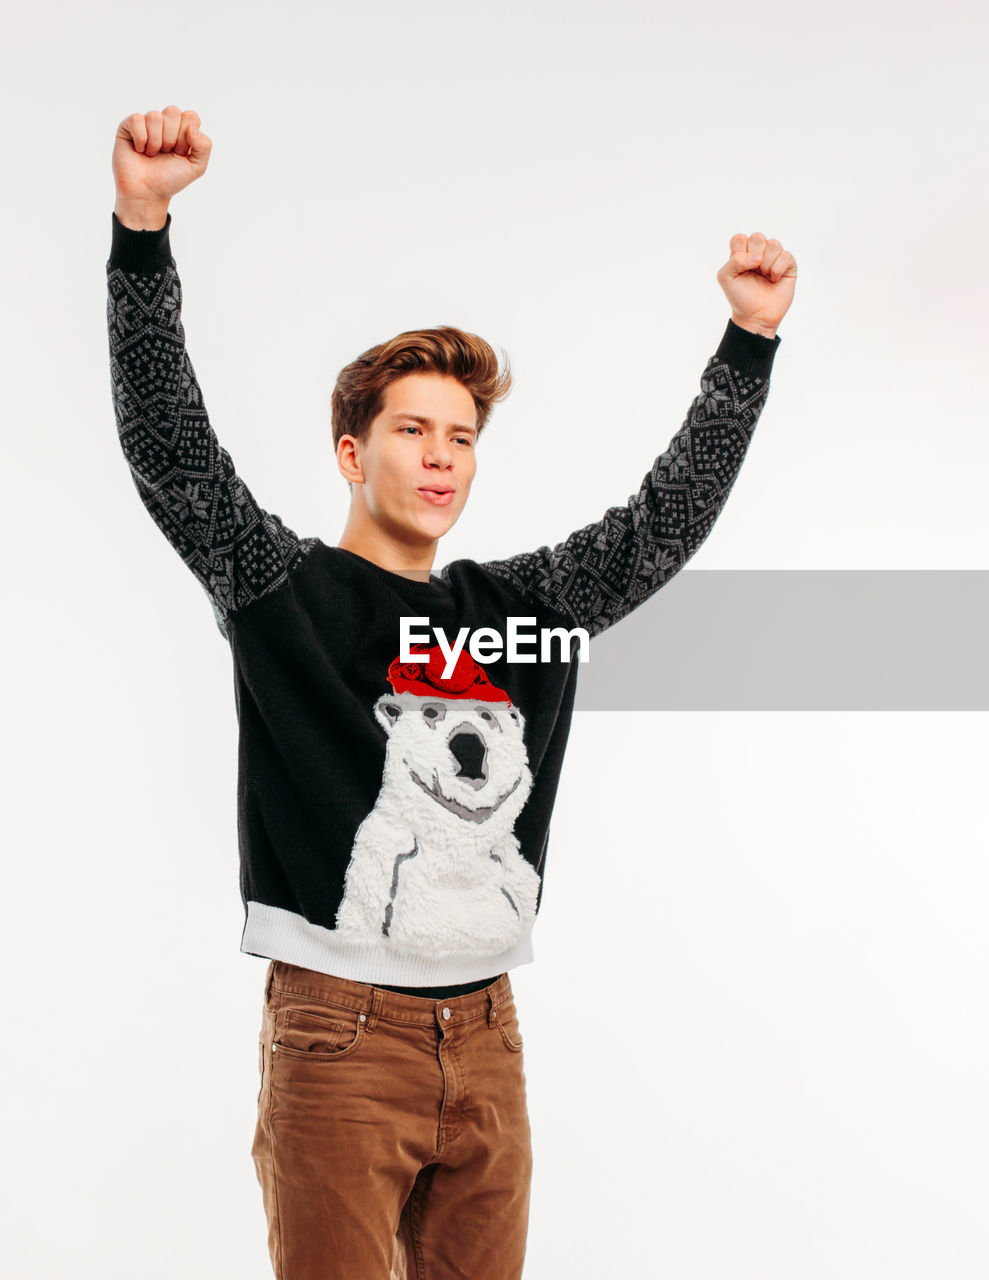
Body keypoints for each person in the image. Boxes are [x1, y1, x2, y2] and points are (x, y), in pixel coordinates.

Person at [107, 103, 797, 1280]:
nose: (438, 455)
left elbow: (656, 528)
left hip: (486, 1036)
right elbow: (172, 451)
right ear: (349, 451)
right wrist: (141, 228)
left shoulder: (519, 611)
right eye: (411, 428)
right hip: (336, 1029)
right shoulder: (283, 588)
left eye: (462, 435)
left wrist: (746, 346)